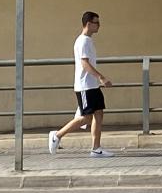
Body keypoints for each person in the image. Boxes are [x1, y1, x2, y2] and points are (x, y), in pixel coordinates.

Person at [48, 11, 114, 157]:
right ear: (89, 24)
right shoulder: (83, 41)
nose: (99, 26)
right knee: (86, 118)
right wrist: (101, 77)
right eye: (97, 22)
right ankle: (57, 135)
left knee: (98, 113)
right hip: (85, 85)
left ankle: (96, 149)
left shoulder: (88, 40)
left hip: (92, 85)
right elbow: (85, 63)